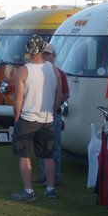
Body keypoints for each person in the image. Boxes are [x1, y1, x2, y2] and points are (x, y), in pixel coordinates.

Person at [11, 35, 63, 202]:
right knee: (48, 156)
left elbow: (18, 98)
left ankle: (28, 191)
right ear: (43, 49)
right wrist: (52, 111)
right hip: (47, 118)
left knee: (25, 156)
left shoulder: (24, 70)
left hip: (27, 118)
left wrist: (16, 117)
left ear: (28, 51)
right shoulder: (54, 70)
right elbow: (59, 95)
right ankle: (50, 189)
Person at [36, 42, 70, 185]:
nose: (45, 56)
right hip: (39, 113)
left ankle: (54, 177)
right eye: (43, 53)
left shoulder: (59, 73)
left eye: (47, 53)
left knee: (53, 146)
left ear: (53, 56)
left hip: (52, 113)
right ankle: (45, 175)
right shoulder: (37, 72)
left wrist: (54, 104)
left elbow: (66, 94)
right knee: (40, 145)